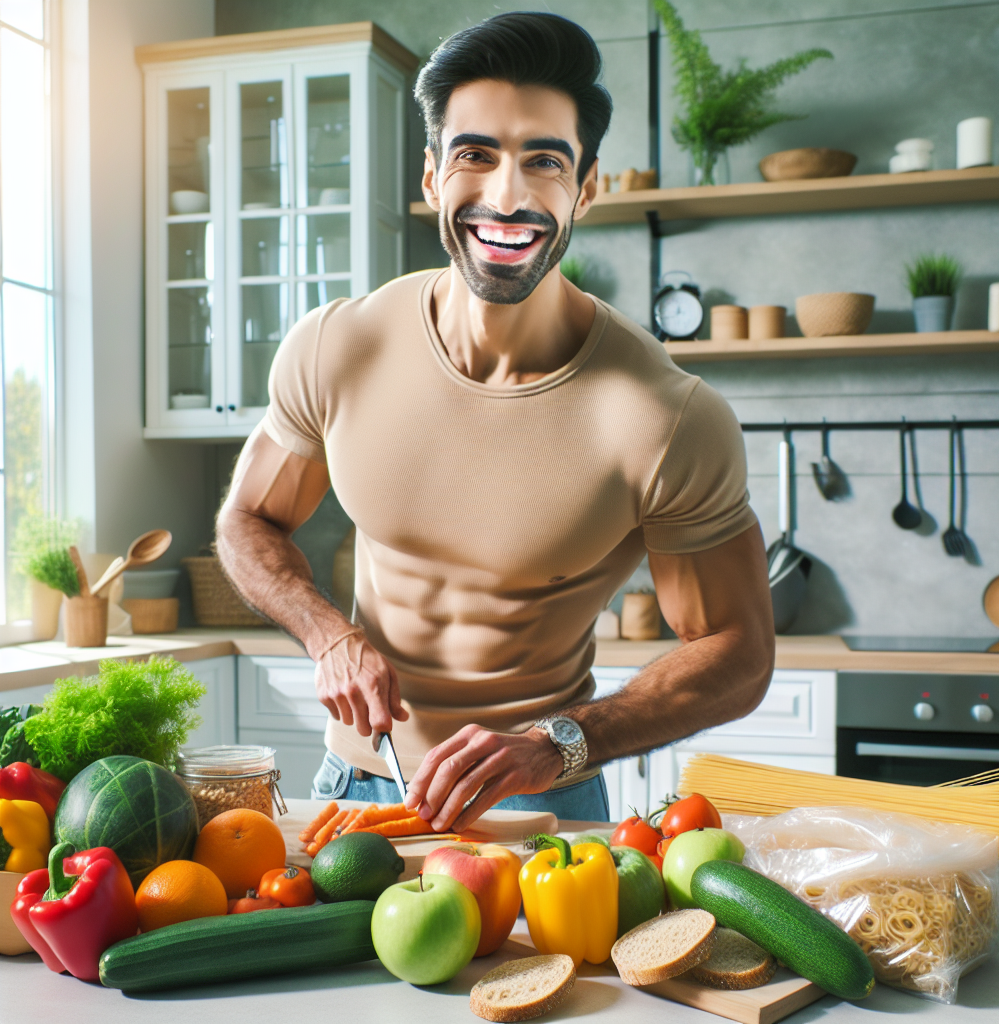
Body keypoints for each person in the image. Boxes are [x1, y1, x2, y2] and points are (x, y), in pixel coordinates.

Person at [216, 12, 774, 833]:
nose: (507, 197)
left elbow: (738, 651)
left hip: (540, 800)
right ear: (434, 174)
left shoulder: (664, 416)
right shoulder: (340, 345)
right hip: (349, 788)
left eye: (543, 162)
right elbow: (247, 521)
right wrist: (326, 632)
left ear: (585, 187)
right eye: (476, 154)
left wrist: (562, 743)